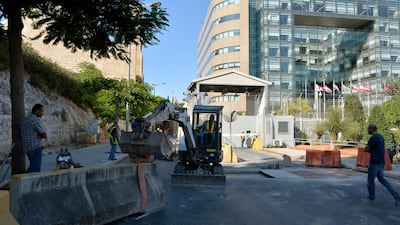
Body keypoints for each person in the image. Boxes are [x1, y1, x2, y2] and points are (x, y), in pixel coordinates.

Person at [363, 124, 400, 205]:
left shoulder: (373, 138)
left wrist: (367, 149)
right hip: (381, 162)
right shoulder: (381, 137)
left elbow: (367, 149)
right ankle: (396, 195)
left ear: (372, 129)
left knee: (370, 180)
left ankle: (371, 197)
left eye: (368, 129)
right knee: (382, 179)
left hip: (374, 162)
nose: (367, 130)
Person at [21, 103, 47, 173]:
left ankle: (25, 181)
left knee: (32, 166)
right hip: (35, 148)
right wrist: (40, 135)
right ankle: (25, 182)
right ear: (37, 111)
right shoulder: (34, 120)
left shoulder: (26, 119)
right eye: (41, 111)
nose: (42, 113)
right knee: (35, 170)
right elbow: (44, 135)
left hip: (28, 148)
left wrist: (39, 134)